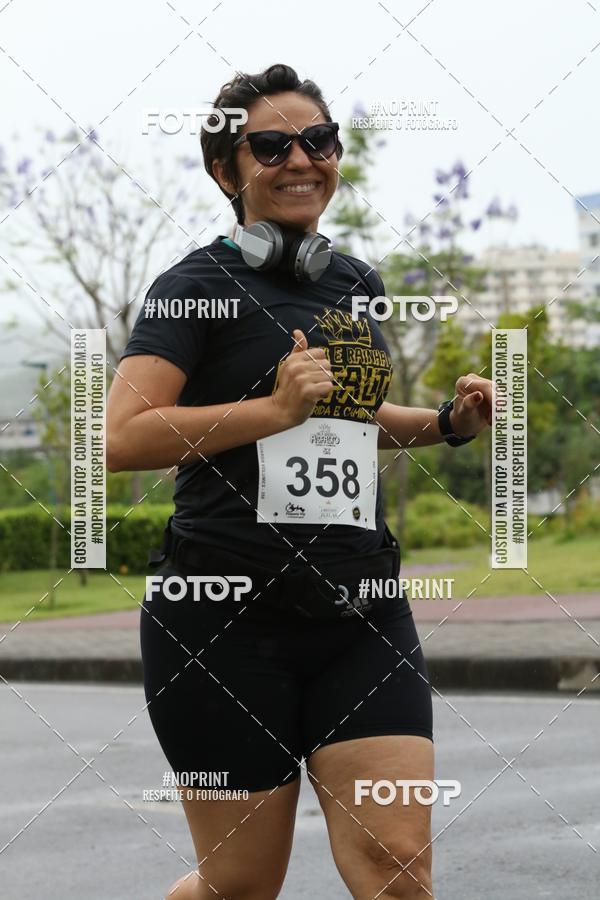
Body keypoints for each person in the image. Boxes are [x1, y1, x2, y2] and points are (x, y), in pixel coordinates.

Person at [107, 63, 492, 900]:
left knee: (398, 860)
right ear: (226, 172)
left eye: (317, 140)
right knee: (240, 884)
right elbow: (125, 438)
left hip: (360, 609)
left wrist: (447, 425)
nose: (300, 159)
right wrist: (269, 411)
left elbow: (347, 417)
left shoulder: (356, 284)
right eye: (271, 145)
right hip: (220, 623)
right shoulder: (192, 290)